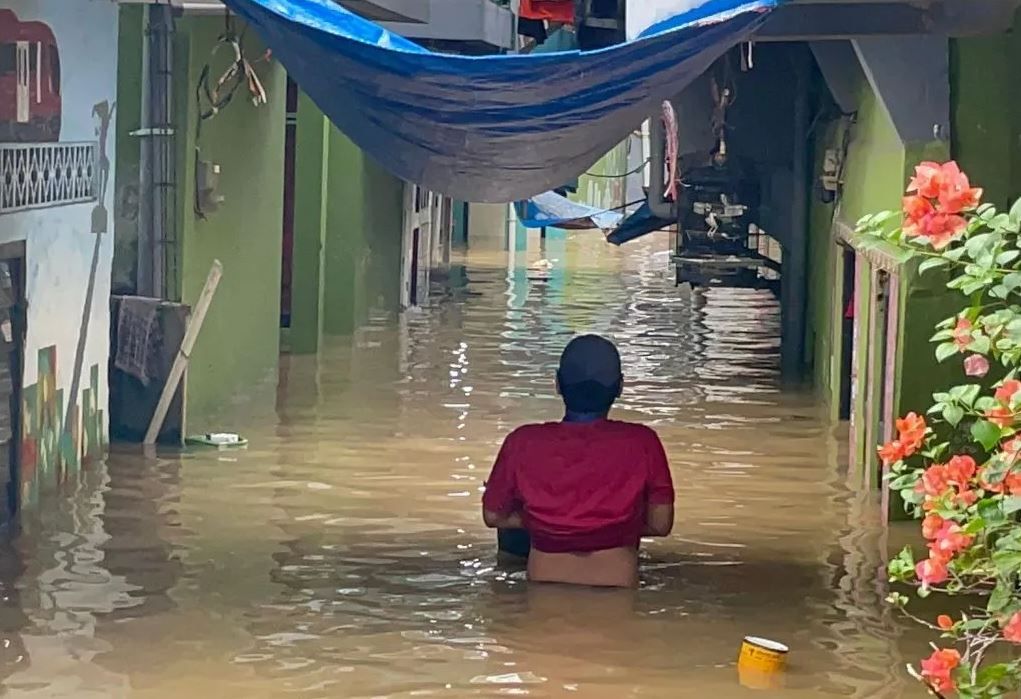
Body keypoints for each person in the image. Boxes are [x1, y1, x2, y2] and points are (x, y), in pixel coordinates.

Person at [481, 335, 675, 588]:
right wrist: (611, 525)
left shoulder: (523, 442)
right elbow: (661, 524)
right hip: (617, 588)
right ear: (620, 387)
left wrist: (540, 520)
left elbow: (493, 516)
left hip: (543, 587)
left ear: (558, 384)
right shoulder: (642, 442)